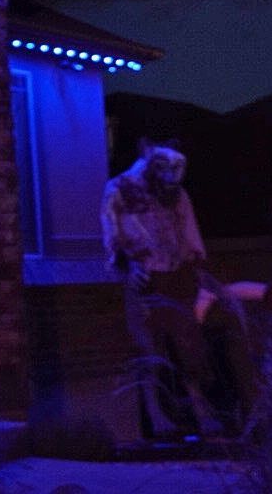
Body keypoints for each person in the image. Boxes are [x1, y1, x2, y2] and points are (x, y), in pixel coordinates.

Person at [101, 137, 215, 437]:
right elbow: (111, 228)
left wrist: (197, 266)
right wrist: (125, 263)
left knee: (186, 345)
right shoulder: (121, 189)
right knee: (150, 349)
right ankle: (158, 420)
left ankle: (193, 415)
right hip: (145, 278)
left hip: (177, 275)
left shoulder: (176, 195)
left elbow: (188, 228)